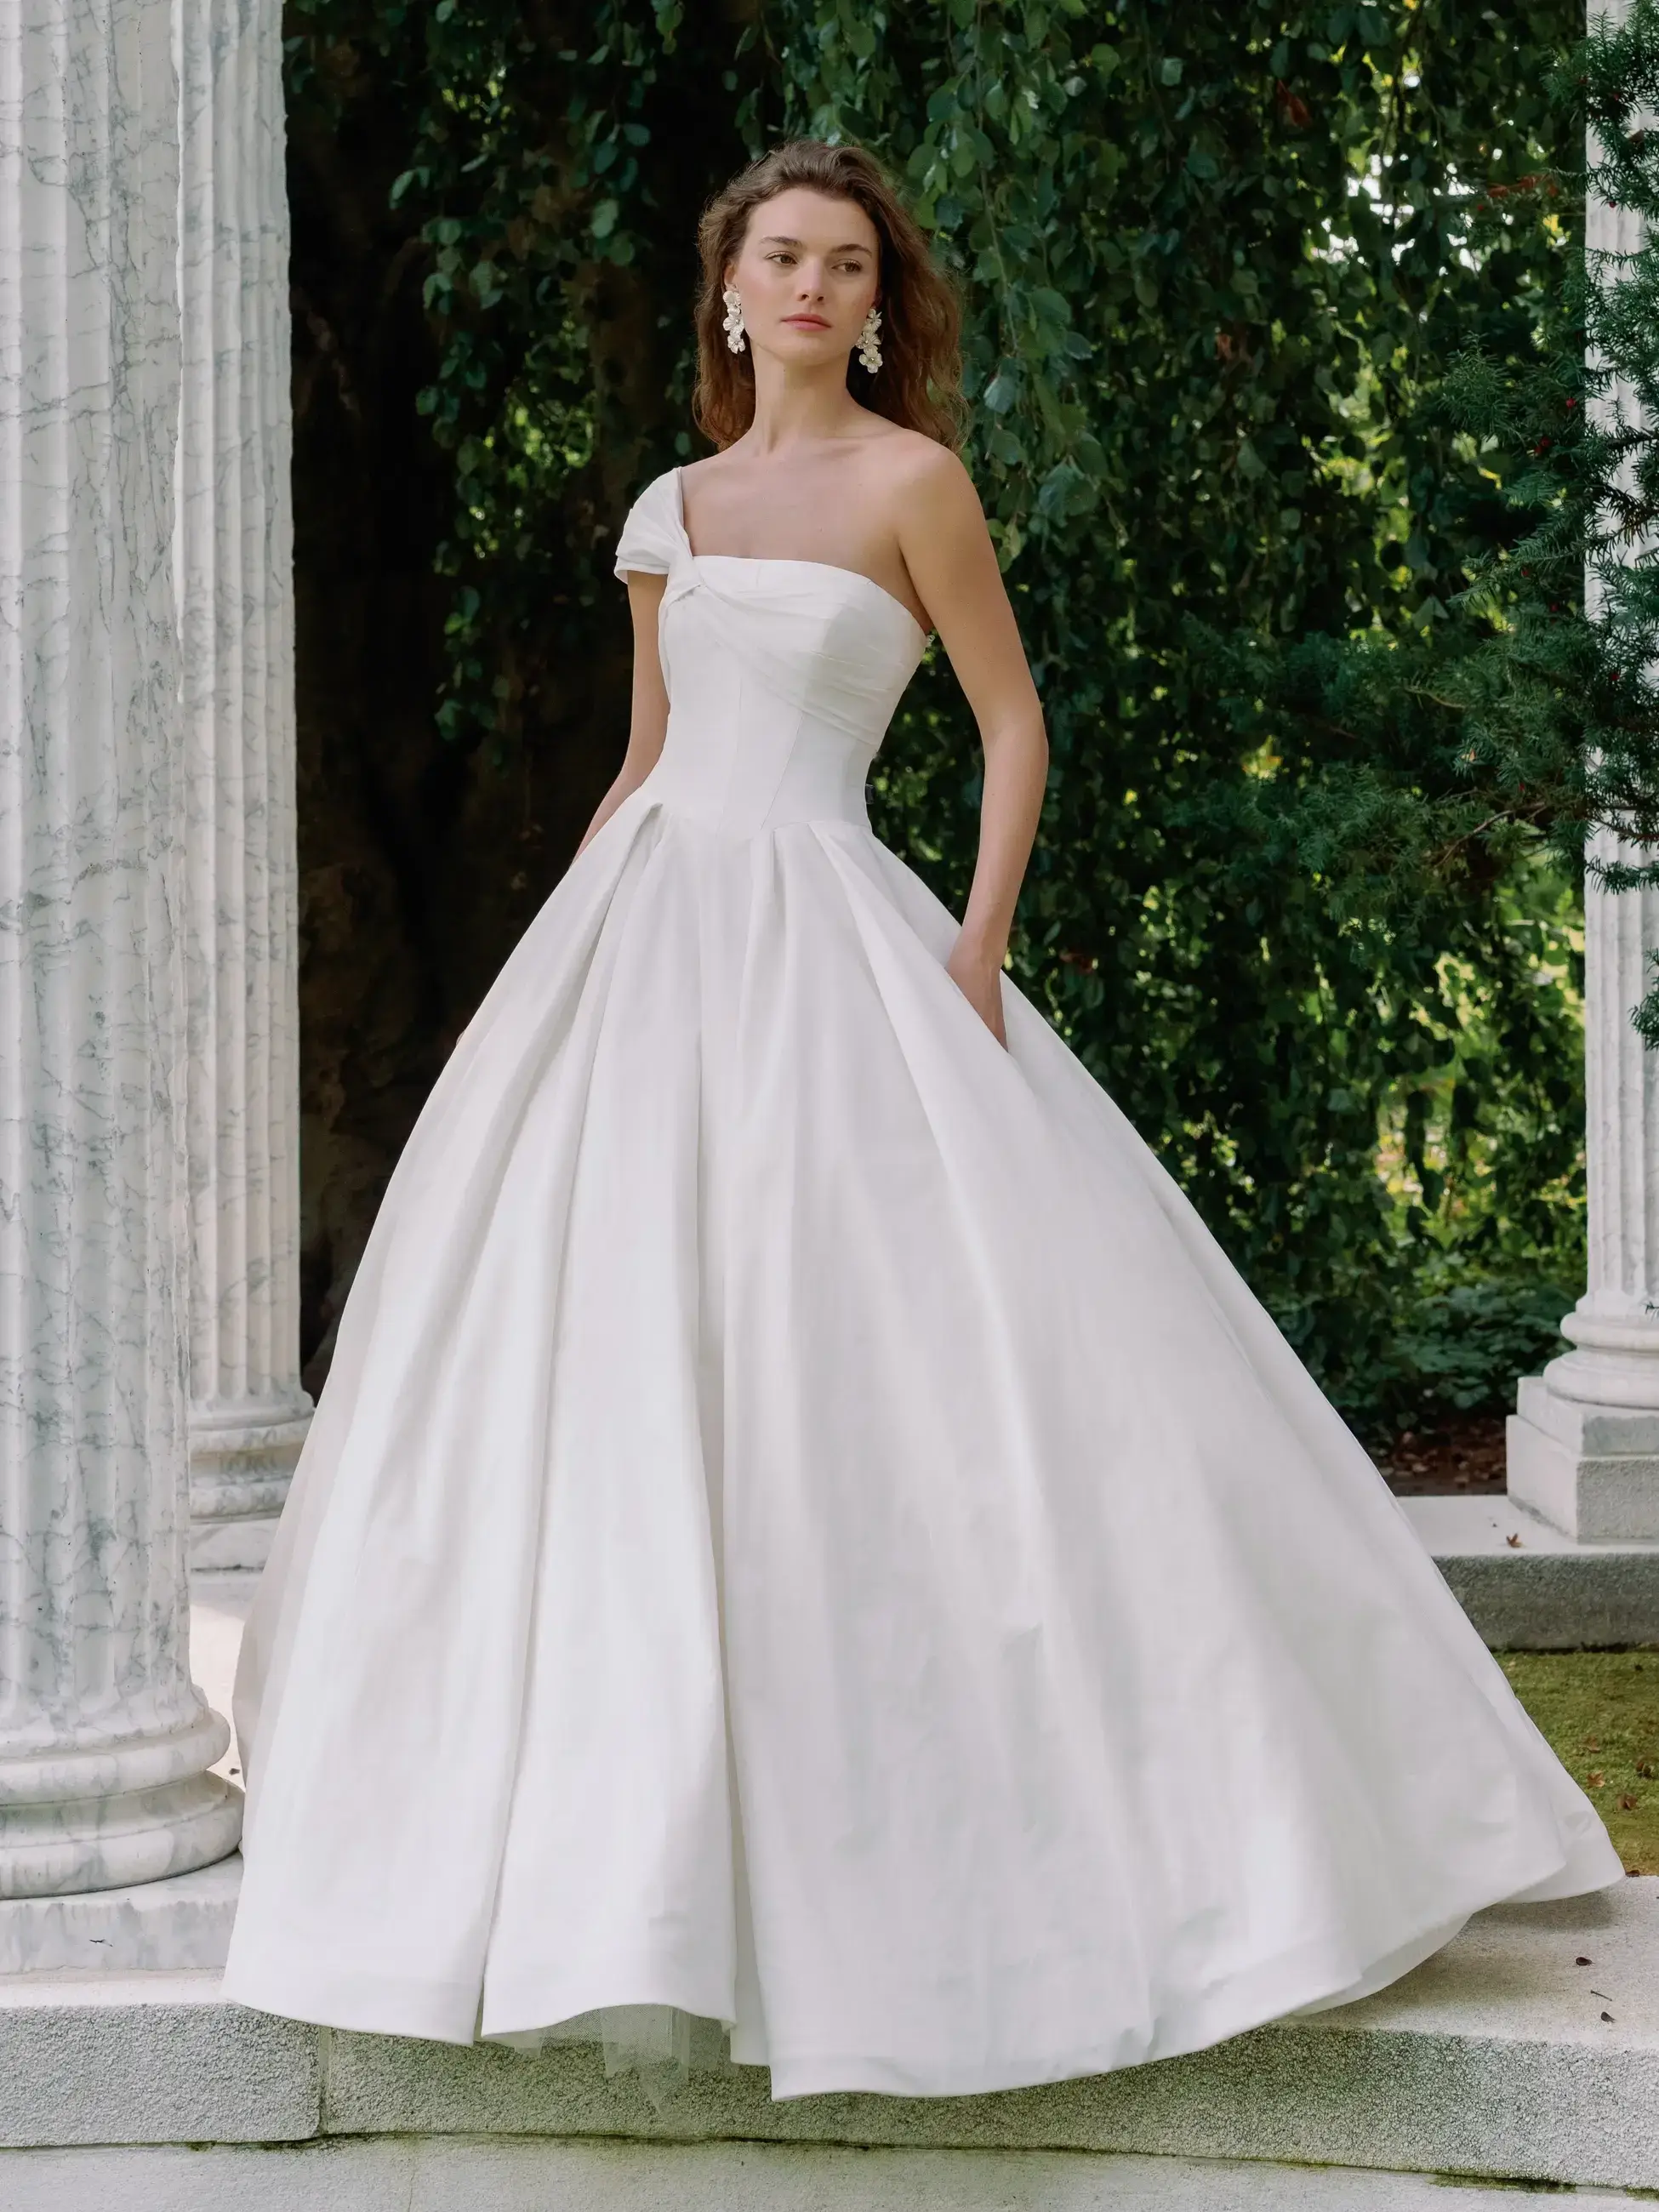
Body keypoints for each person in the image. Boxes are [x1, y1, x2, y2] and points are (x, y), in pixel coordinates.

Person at [221, 138, 1620, 2101]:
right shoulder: (671, 506)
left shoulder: (914, 485)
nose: (812, 286)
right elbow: (643, 760)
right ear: (729, 289)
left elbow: (1011, 720)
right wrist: (552, 976)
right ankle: (585, 1854)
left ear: (884, 303)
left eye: (849, 263)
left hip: (842, 932)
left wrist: (973, 952)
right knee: (596, 1369)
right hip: (646, 941)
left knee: (903, 1362)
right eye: (782, 256)